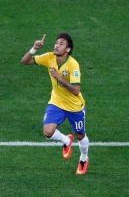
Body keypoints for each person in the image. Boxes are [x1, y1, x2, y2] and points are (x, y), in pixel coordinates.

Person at [21, 33, 89, 175]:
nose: (57, 45)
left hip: (74, 106)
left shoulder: (73, 64)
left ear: (68, 49)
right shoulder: (49, 57)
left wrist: (60, 78)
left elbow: (76, 90)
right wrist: (34, 48)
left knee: (80, 135)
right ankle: (66, 140)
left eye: (61, 44)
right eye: (56, 43)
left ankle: (83, 158)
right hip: (57, 103)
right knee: (48, 132)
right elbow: (25, 61)